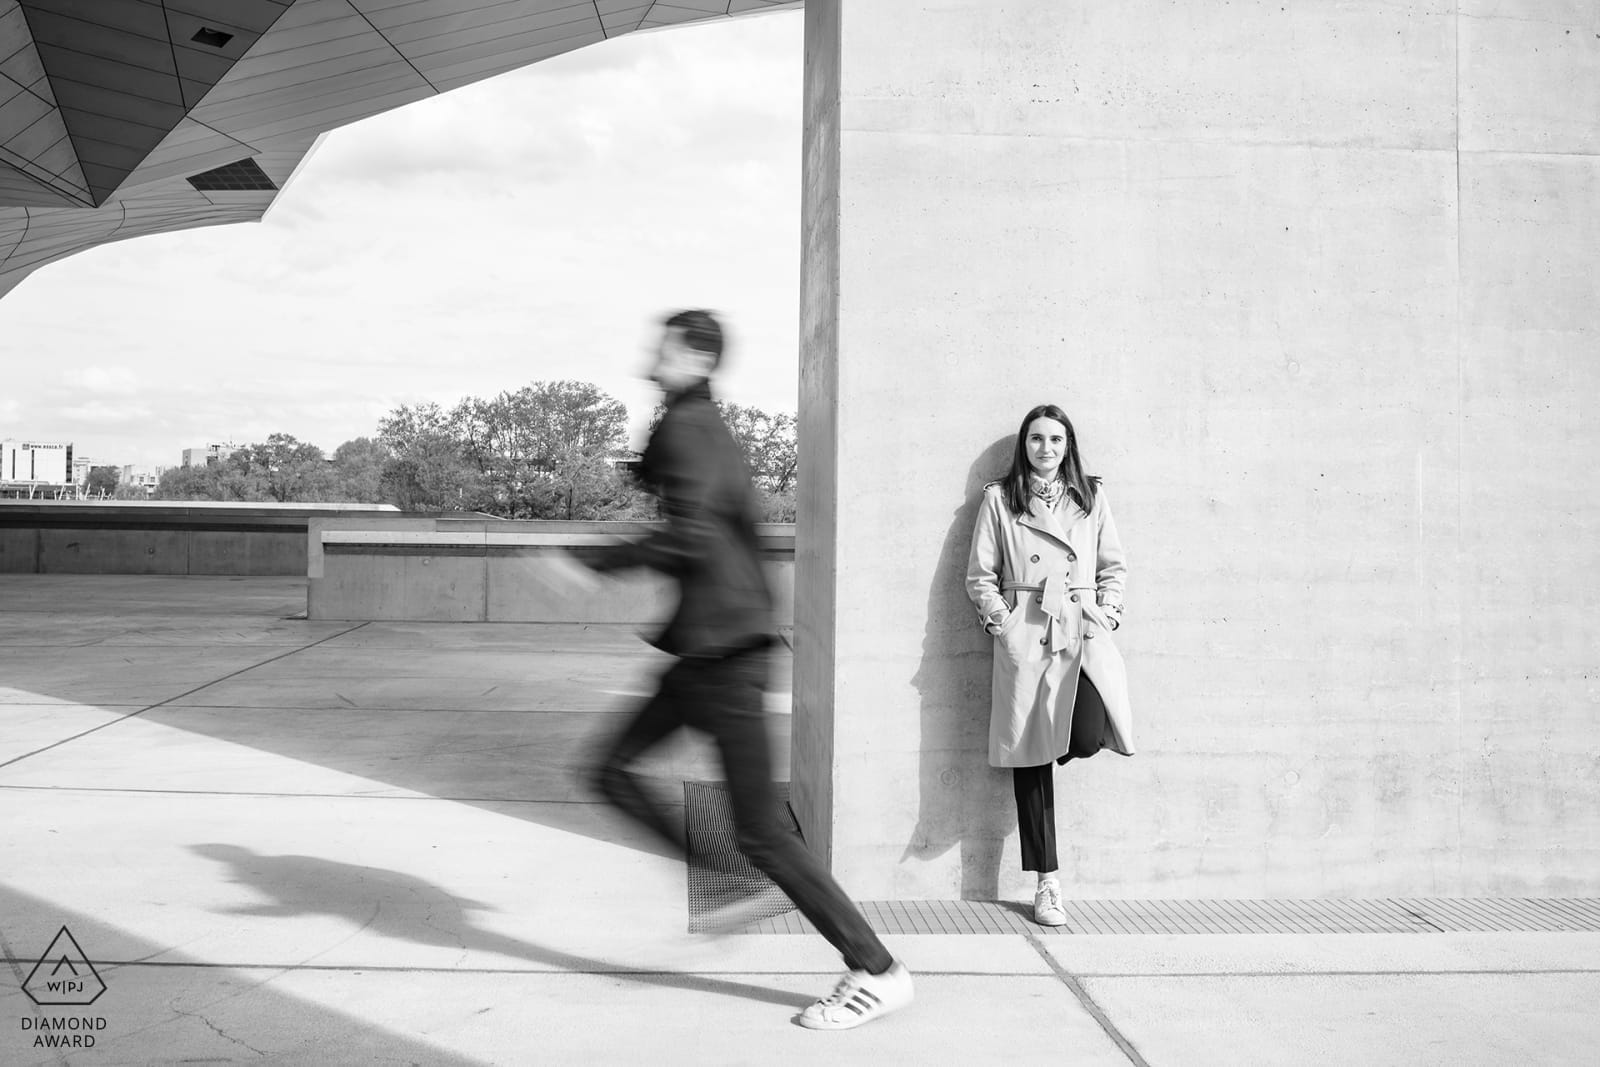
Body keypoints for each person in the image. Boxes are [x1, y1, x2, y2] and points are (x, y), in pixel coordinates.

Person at [581, 309, 913, 1031]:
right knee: (607, 769)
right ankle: (727, 882)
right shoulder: (693, 421)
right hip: (707, 653)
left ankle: (877, 969)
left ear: (696, 357)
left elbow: (693, 528)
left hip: (726, 657)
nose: (650, 354)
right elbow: (674, 489)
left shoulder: (692, 427)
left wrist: (597, 560)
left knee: (762, 832)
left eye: (663, 347)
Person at [965, 403, 1134, 926]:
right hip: (1029, 637)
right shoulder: (1001, 498)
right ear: (1025, 444)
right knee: (1031, 761)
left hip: (1078, 630)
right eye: (1037, 439)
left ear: (1068, 446)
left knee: (1083, 734)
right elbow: (980, 575)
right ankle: (1047, 883)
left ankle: (1055, 739)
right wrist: (1005, 622)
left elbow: (1113, 564)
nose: (1046, 449)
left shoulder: (1091, 495)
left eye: (1056, 440)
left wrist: (1106, 614)